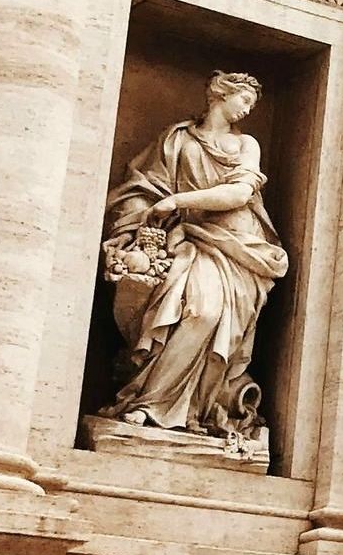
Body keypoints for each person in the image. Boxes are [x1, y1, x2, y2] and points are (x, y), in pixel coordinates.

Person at [99, 72, 288, 441]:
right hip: (187, 239)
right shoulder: (177, 139)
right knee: (181, 310)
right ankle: (148, 402)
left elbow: (237, 195)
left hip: (238, 248)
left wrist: (179, 201)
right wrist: (146, 216)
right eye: (243, 100)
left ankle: (182, 407)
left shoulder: (246, 144)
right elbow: (145, 186)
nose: (247, 109)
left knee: (208, 313)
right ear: (220, 94)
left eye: (252, 104)